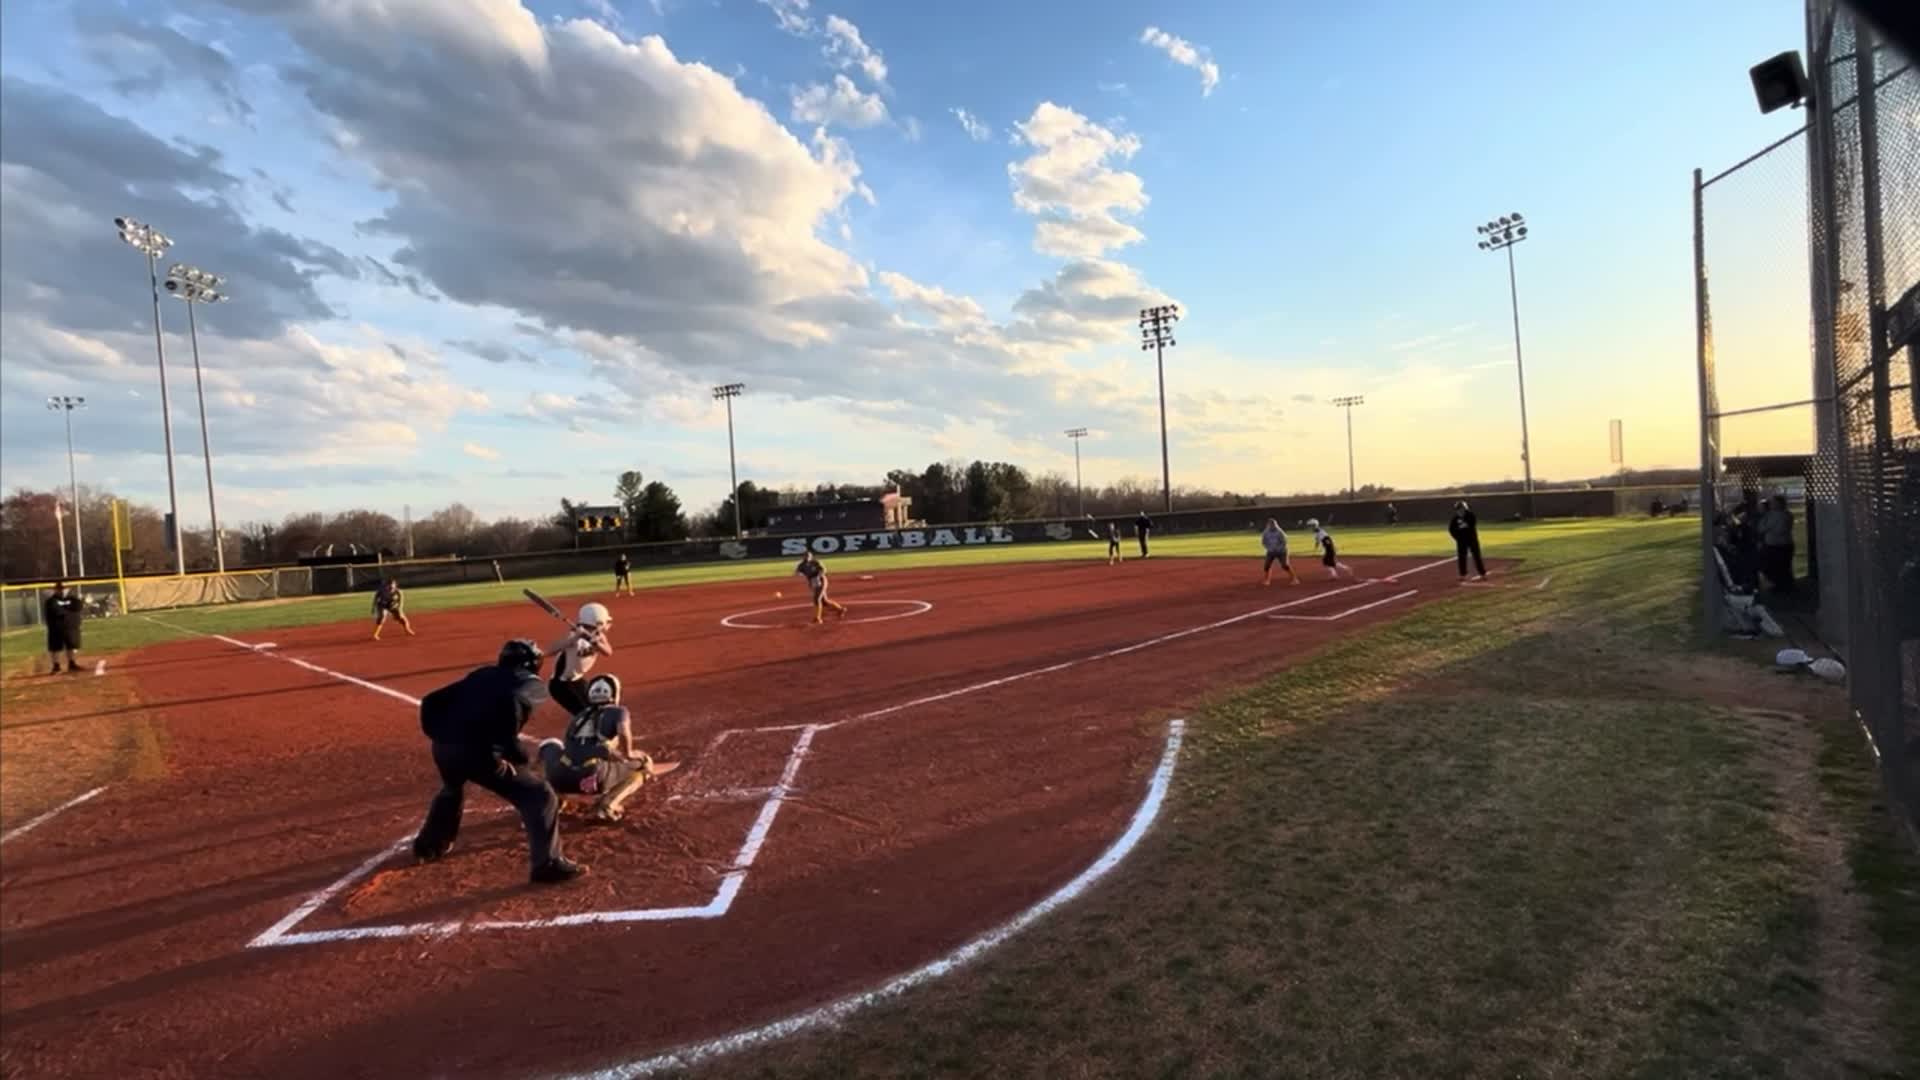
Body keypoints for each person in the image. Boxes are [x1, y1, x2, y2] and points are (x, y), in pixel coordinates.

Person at [412, 639, 584, 884]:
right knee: (539, 794)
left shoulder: (482, 674)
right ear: (533, 663)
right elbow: (507, 727)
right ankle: (548, 865)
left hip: (443, 749)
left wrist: (438, 735)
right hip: (478, 754)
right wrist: (520, 759)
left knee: (452, 788)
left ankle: (429, 847)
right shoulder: (528, 684)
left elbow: (430, 700)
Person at [537, 674, 654, 822]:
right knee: (644, 764)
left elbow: (572, 747)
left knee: (550, 744)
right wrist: (628, 753)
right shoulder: (618, 711)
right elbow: (623, 731)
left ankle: (555, 799)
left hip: (559, 777)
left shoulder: (579, 715)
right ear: (614, 693)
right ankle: (607, 806)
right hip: (591, 779)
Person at [548, 602, 614, 715]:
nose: (608, 624)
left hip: (577, 680)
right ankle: (578, 731)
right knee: (586, 715)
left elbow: (608, 652)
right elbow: (550, 650)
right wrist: (574, 639)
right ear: (598, 622)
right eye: (605, 621)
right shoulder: (574, 636)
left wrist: (597, 644)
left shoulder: (598, 635)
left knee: (597, 707)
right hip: (562, 685)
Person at [795, 550, 848, 624]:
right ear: (803, 557)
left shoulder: (815, 562)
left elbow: (823, 570)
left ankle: (817, 618)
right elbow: (797, 572)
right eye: (806, 556)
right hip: (813, 583)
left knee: (817, 599)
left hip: (821, 581)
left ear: (811, 556)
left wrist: (818, 576)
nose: (807, 557)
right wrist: (799, 574)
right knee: (824, 601)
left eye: (809, 556)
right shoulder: (801, 565)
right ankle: (841, 609)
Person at [43, 581, 84, 675]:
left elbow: (78, 607)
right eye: (60, 589)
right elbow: (57, 611)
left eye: (64, 589)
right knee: (56, 647)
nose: (62, 591)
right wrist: (69, 609)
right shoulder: (51, 601)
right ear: (56, 590)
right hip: (56, 628)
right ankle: (56, 666)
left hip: (71, 627)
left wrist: (67, 609)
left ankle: (72, 664)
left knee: (72, 645)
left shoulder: (73, 598)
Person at [1759, 494, 1796, 594]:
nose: (1771, 504)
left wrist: (1768, 524)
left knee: (1779, 568)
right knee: (1779, 568)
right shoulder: (1776, 514)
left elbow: (1765, 528)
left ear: (1779, 503)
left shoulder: (1781, 515)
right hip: (1778, 545)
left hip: (1779, 546)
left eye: (1773, 502)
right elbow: (1762, 528)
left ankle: (1782, 588)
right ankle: (1782, 587)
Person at [1448, 500, 1488, 581]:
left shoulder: (1470, 516)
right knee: (1462, 557)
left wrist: (1461, 527)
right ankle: (1463, 575)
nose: (1460, 511)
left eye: (1462, 509)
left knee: (1476, 556)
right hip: (1461, 541)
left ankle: (1482, 573)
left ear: (1465, 509)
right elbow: (1451, 529)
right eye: (1458, 510)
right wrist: (1457, 537)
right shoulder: (1455, 519)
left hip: (1472, 539)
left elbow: (1471, 525)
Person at [1261, 519, 1299, 587]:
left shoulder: (1280, 532)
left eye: (1273, 524)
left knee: (1285, 565)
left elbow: (1284, 542)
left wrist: (1278, 548)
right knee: (1267, 565)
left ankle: (1294, 579)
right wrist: (1268, 548)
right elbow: (1263, 542)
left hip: (1282, 551)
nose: (1272, 526)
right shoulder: (1265, 533)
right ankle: (1267, 580)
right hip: (1271, 551)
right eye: (1270, 525)